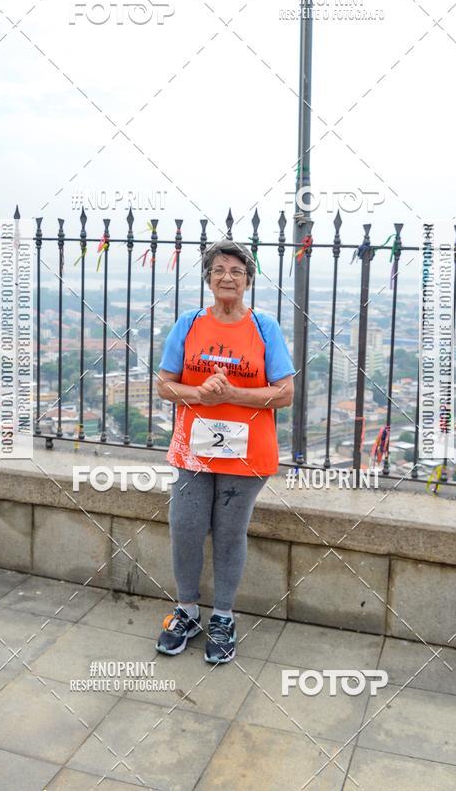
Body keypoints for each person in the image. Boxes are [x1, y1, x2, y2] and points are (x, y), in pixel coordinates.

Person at [155, 240, 295, 664]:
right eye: (219, 270)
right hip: (193, 448)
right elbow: (164, 385)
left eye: (236, 270)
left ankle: (223, 617)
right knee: (186, 526)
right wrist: (198, 392)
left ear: (249, 280)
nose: (227, 277)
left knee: (231, 532)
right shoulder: (189, 323)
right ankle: (187, 610)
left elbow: (285, 393)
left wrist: (234, 393)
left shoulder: (264, 327)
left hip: (247, 451)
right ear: (208, 279)